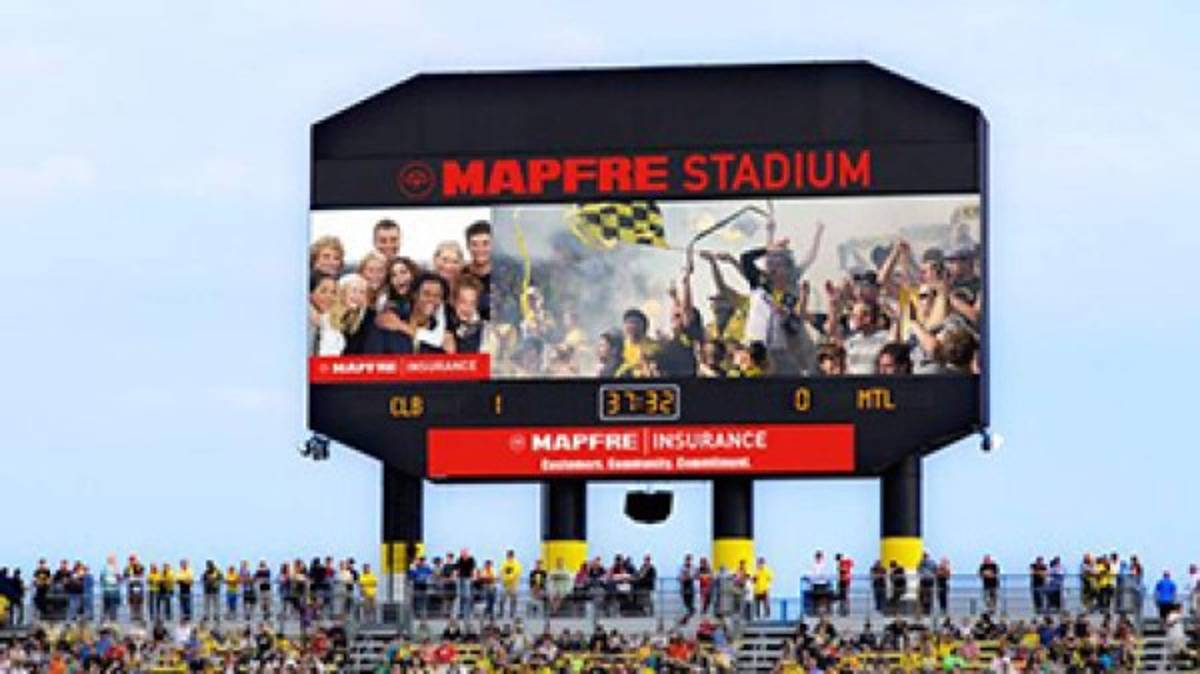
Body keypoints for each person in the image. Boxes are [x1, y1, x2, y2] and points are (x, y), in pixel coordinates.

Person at [464, 220, 492, 320]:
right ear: (468, 246)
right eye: (474, 244)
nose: (480, 249)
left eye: (485, 244)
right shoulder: (461, 276)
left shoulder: (506, 276)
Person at [499, 550, 522, 619]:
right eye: (507, 555)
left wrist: (506, 577)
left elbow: (515, 574)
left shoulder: (517, 564)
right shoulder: (504, 563)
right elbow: (501, 572)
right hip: (505, 585)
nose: (508, 557)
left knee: (513, 600)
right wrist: (504, 578)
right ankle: (501, 613)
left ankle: (512, 613)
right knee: (502, 600)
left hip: (513, 585)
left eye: (509, 555)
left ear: (512, 556)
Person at [678, 554, 696, 622]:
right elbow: (680, 578)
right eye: (687, 559)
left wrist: (687, 576)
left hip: (690, 587)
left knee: (690, 604)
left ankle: (686, 618)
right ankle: (686, 617)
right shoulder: (681, 567)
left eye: (689, 559)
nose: (688, 561)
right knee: (686, 604)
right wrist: (686, 576)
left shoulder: (693, 567)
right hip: (684, 587)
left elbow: (693, 576)